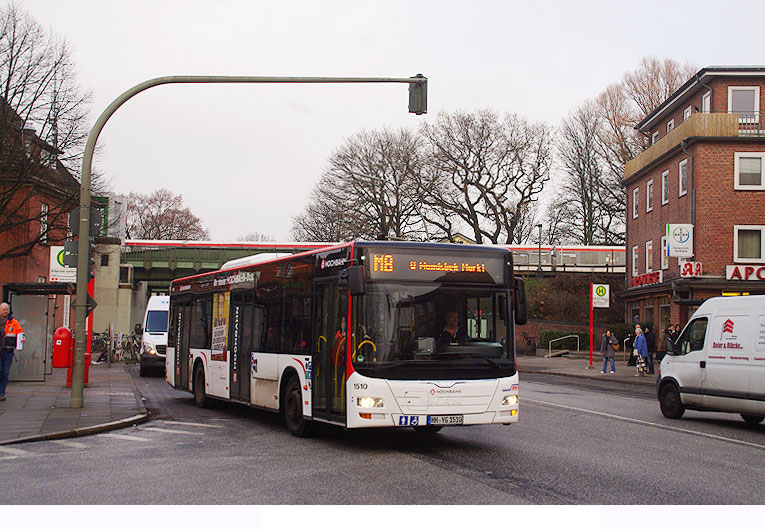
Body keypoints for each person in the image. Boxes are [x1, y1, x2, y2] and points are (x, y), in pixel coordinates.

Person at [1, 302, 25, 401]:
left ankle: (1, 393)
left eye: (6, 309)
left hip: (8, 351)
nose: (5, 311)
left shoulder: (13, 322)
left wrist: (22, 339)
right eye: (3, 309)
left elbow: (21, 332)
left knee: (5, 372)